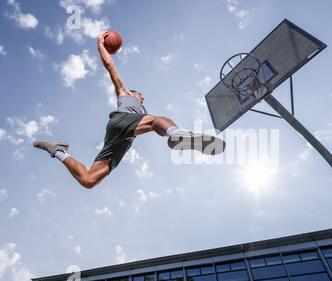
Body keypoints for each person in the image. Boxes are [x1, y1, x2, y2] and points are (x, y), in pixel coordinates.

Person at [33, 31, 225, 189]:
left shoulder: (140, 110)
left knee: (89, 180)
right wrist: (100, 43)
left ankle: (58, 151)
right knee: (158, 120)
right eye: (139, 93)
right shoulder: (124, 93)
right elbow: (110, 66)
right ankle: (178, 134)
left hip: (118, 141)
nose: (142, 96)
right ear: (132, 92)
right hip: (121, 121)